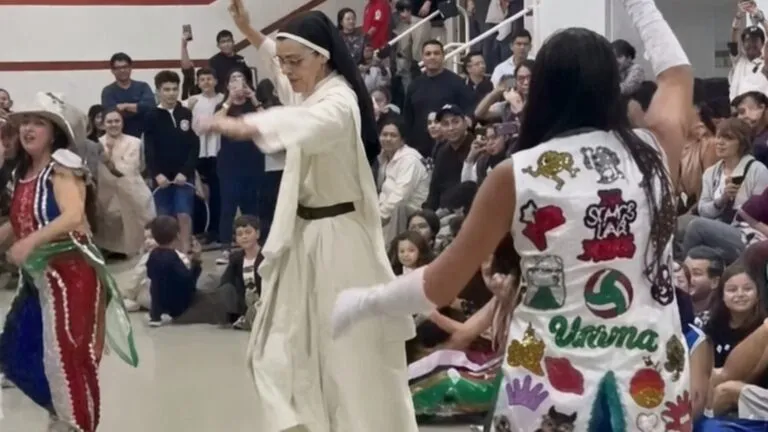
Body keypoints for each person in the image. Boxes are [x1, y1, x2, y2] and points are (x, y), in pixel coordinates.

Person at [331, 0, 694, 429]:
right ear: (614, 89)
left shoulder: (517, 174)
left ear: (540, 92)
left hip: (546, 390)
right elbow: (677, 73)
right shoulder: (655, 150)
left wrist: (364, 303)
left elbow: (440, 283)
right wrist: (639, 4)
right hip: (649, 383)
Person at [196, 2, 419, 432]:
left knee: (347, 352)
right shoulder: (310, 88)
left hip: (340, 240)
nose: (287, 70)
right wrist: (249, 30)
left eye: (295, 61)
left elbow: (307, 124)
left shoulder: (339, 102)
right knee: (279, 344)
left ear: (323, 57)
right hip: (305, 235)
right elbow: (282, 75)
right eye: (285, 61)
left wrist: (243, 126)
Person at [0, 93, 138, 432]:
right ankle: (62, 415)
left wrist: (29, 242)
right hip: (39, 276)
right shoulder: (22, 172)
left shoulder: (63, 167)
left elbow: (73, 215)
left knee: (67, 359)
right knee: (16, 350)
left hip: (72, 272)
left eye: (38, 123)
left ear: (54, 133)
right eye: (25, 122)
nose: (28, 129)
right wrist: (14, 237)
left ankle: (75, 424)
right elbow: (18, 221)